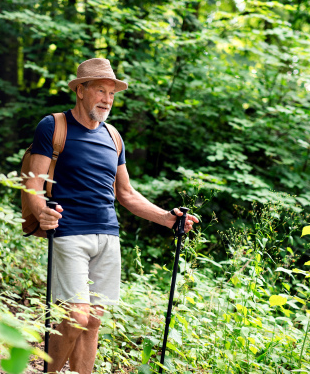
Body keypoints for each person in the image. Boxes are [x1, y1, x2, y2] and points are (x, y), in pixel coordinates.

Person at [23, 58, 198, 373]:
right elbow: (32, 183)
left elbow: (126, 193)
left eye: (112, 94)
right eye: (100, 91)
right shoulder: (53, 126)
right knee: (76, 317)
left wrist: (167, 219)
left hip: (108, 236)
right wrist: (41, 211)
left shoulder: (114, 137)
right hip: (69, 232)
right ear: (81, 91)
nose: (107, 99)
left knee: (92, 322)